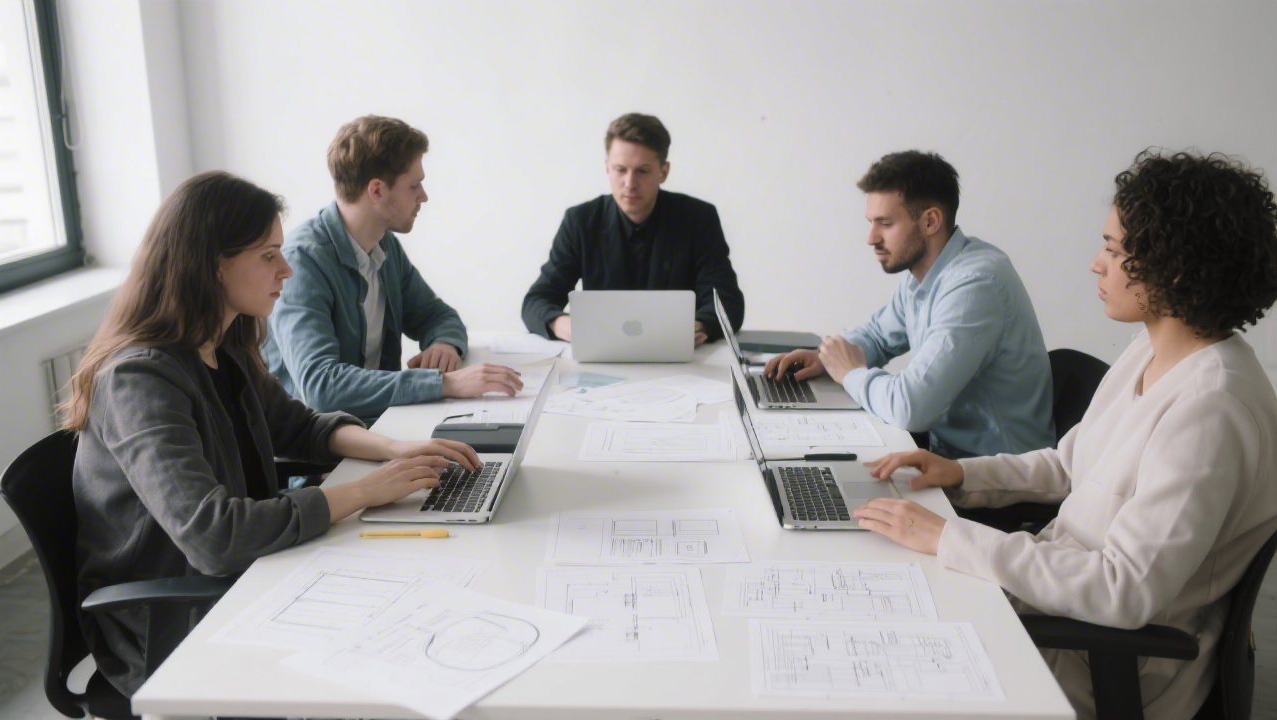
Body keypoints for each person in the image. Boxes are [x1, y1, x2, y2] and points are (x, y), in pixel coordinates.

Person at [855, 151, 1277, 720]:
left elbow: (1122, 590)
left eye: (1113, 248)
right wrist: (960, 474)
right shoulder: (1153, 350)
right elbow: (1069, 463)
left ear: (1175, 267)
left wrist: (951, 540)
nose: (1095, 265)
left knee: (878, 661)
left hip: (1104, 662)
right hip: (1055, 609)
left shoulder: (1212, 409)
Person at [66, 172, 483, 697]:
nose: (285, 270)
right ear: (211, 264)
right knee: (405, 646)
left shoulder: (224, 344)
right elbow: (213, 537)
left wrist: (395, 449)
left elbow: (298, 425)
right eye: (268, 256)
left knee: (426, 598)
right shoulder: (139, 379)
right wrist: (364, 492)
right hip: (174, 623)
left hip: (247, 579)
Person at [765, 150, 1054, 458]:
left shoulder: (975, 285)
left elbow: (910, 408)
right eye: (870, 222)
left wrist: (849, 372)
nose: (871, 238)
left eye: (885, 224)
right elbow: (878, 335)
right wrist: (825, 358)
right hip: (946, 459)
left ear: (930, 221)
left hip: (995, 483)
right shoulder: (926, 272)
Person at [266, 115, 521, 423]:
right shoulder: (303, 261)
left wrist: (444, 344)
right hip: (325, 457)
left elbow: (437, 315)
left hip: (383, 427)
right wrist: (445, 384)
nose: (423, 196)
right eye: (414, 185)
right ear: (377, 191)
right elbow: (322, 387)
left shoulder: (383, 245)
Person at [521, 112, 745, 346]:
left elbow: (727, 302)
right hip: (603, 358)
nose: (629, 183)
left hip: (678, 359)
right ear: (607, 168)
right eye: (620, 169)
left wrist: (698, 327)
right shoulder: (580, 221)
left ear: (663, 172)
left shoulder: (698, 218)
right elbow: (537, 301)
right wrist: (566, 326)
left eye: (642, 171)